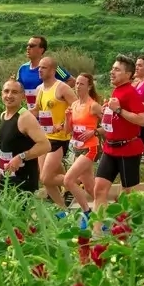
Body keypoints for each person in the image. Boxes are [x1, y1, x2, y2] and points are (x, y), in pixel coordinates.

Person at [0, 79, 50, 196]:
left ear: (23, 96)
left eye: (14, 92)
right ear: (1, 94)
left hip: (23, 180)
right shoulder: (4, 115)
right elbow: (8, 143)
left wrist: (21, 157)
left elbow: (45, 145)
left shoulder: (25, 117)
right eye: (6, 91)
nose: (9, 95)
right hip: (5, 176)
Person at [92, 55, 144, 209]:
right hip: (110, 148)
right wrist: (108, 112)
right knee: (99, 189)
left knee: (130, 195)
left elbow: (142, 119)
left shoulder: (130, 92)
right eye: (112, 69)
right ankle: (98, 225)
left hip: (127, 149)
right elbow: (117, 119)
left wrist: (118, 110)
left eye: (117, 70)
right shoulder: (117, 91)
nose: (112, 72)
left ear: (128, 74)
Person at [36, 56, 79, 213]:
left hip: (59, 138)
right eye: (39, 67)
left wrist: (61, 125)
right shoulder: (39, 89)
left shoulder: (62, 88)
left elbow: (77, 108)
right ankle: (63, 211)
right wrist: (17, 114)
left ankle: (76, 182)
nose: (40, 70)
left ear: (53, 70)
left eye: (44, 67)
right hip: (44, 138)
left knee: (46, 177)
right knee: (46, 181)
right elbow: (35, 111)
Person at [62, 73, 102, 226]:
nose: (78, 86)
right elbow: (67, 131)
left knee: (68, 180)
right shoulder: (73, 105)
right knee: (91, 188)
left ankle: (87, 213)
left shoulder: (93, 105)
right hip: (77, 148)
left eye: (82, 84)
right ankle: (107, 217)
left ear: (89, 86)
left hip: (91, 148)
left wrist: (94, 131)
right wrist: (67, 118)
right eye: (77, 83)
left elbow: (109, 124)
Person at [17, 35, 69, 112]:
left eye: (32, 46)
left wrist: (54, 95)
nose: (28, 48)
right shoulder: (22, 68)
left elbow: (71, 81)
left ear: (41, 50)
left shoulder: (51, 66)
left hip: (48, 112)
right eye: (27, 45)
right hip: (31, 112)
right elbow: (18, 89)